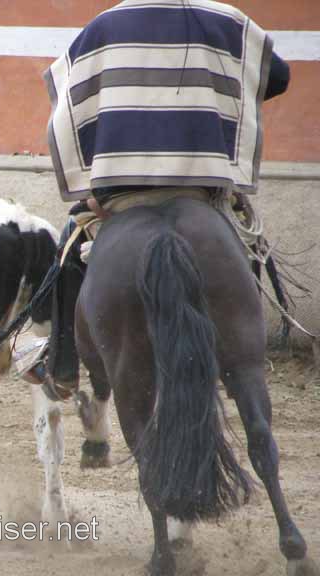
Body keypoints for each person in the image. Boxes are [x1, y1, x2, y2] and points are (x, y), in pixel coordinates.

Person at [43, 0, 291, 389]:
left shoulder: (103, 24)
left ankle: (61, 366)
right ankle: (244, 349)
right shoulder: (225, 19)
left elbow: (65, 95)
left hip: (124, 192)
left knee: (68, 250)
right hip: (201, 187)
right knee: (244, 251)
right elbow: (276, 76)